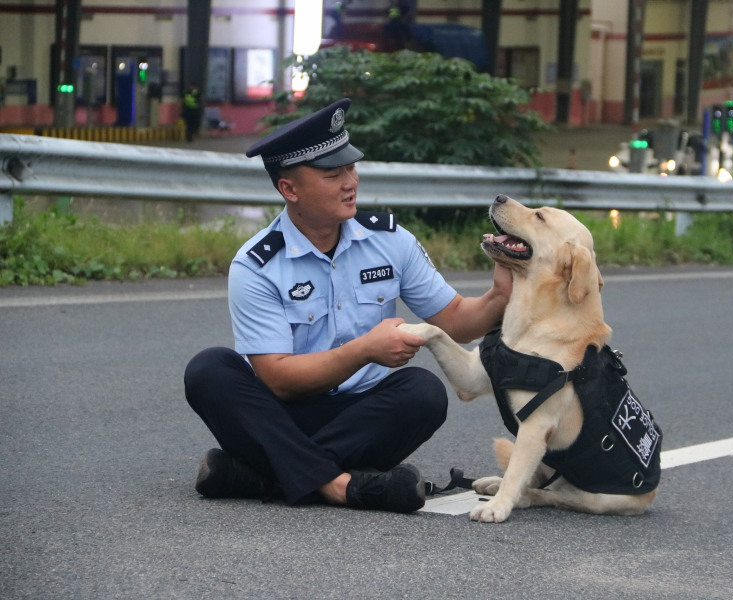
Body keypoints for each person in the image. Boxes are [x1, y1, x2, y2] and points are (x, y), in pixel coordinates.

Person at [183, 98, 511, 513]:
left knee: (423, 393)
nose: (350, 182)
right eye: (333, 174)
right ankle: (343, 486)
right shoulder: (256, 265)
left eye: (351, 168)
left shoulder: (390, 241)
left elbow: (457, 321)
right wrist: (364, 351)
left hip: (360, 415)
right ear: (290, 189)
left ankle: (260, 476)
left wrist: (499, 295)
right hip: (283, 413)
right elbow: (278, 379)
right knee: (208, 370)